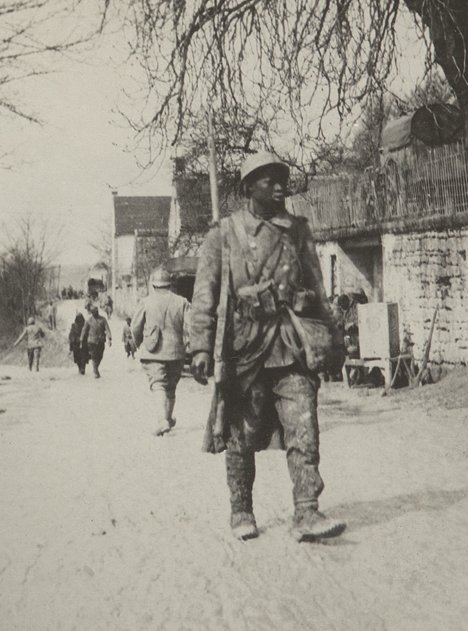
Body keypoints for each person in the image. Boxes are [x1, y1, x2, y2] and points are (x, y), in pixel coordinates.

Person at [189, 152, 346, 543]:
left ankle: (307, 512)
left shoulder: (297, 231)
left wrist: (326, 332)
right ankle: (241, 510)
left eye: (282, 178)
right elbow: (204, 294)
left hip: (290, 344)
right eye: (268, 180)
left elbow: (319, 291)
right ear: (248, 188)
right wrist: (200, 349)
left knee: (304, 425)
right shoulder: (223, 234)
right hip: (243, 349)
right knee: (241, 434)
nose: (279, 186)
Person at [132, 267, 190, 436]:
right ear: (170, 285)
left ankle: (162, 420)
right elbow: (192, 325)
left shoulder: (145, 302)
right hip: (176, 352)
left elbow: (135, 327)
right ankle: (168, 418)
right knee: (171, 388)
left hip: (153, 351)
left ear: (154, 285)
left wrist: (139, 344)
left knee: (158, 385)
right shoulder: (182, 302)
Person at [80, 303, 112, 378]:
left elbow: (107, 329)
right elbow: (84, 331)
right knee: (94, 356)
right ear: (92, 313)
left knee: (100, 356)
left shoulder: (103, 319)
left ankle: (95, 368)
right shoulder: (89, 321)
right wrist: (81, 341)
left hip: (101, 341)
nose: (96, 313)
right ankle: (95, 371)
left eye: (97, 311)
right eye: (94, 312)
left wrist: (109, 339)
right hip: (92, 341)